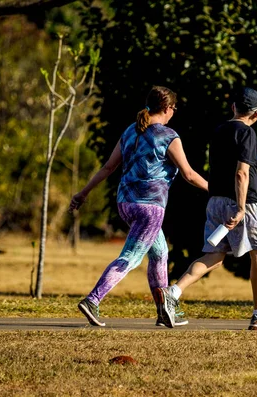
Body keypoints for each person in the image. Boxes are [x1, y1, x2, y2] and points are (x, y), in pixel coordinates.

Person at [69, 85, 208, 327]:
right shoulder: (168, 136)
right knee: (131, 258)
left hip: (125, 203)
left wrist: (83, 193)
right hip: (150, 208)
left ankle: (165, 312)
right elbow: (188, 174)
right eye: (174, 108)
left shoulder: (131, 131)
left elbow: (107, 168)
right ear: (166, 108)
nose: (174, 112)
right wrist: (215, 189)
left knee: (160, 253)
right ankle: (93, 299)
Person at [156, 87, 257, 331]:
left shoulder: (218, 131)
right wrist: (240, 208)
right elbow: (241, 173)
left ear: (233, 107)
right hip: (242, 203)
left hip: (215, 200)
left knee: (214, 256)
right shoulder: (246, 133)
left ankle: (173, 292)